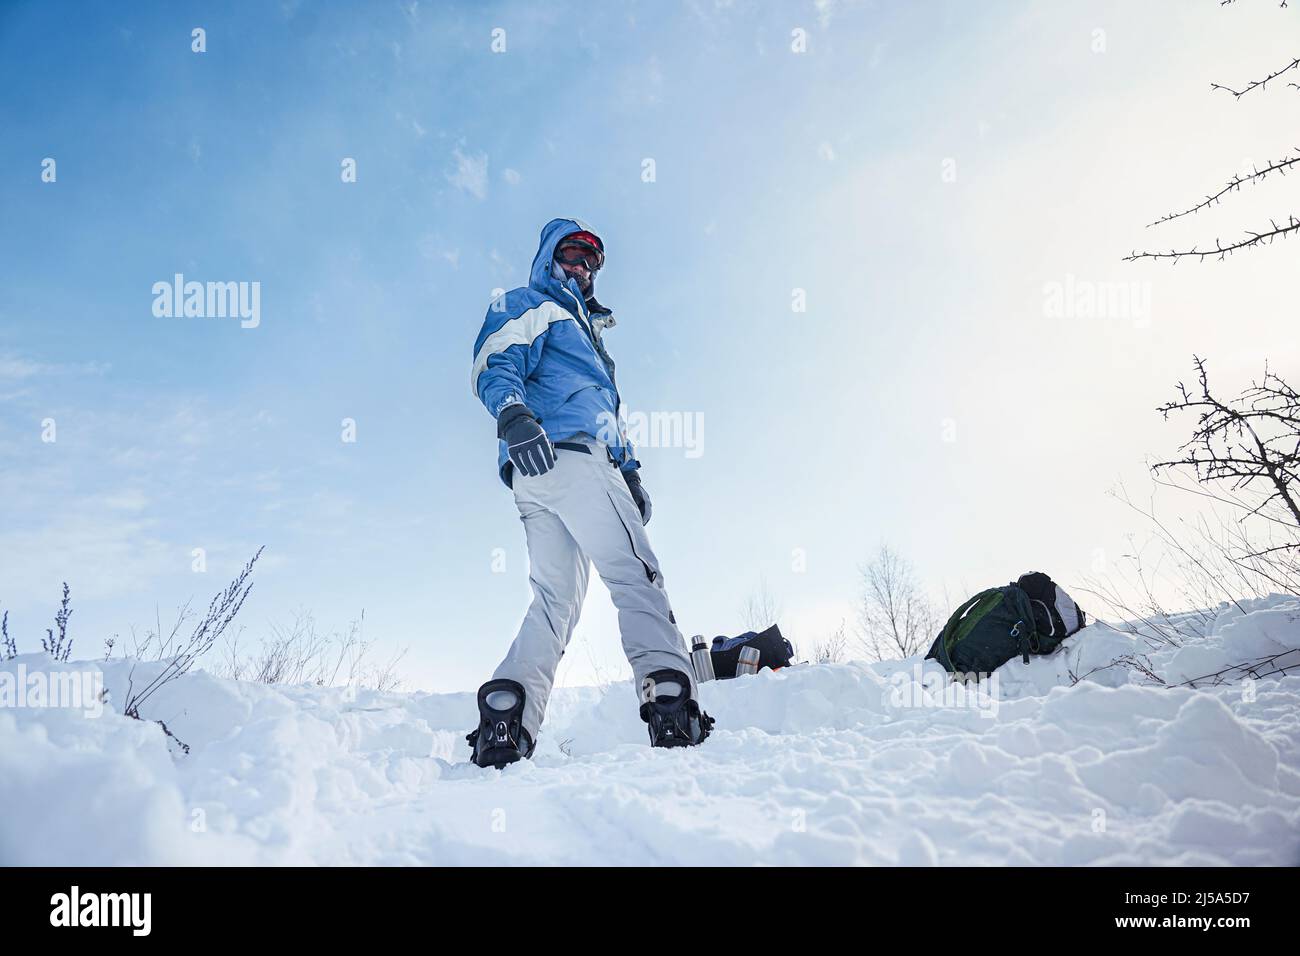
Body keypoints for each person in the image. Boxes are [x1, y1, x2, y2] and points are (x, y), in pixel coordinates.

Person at [467, 218, 714, 768]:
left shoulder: (584, 335)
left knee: (554, 602)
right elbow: (495, 356)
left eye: (591, 263)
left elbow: (603, 415)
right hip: (565, 454)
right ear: (549, 259)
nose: (582, 269)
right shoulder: (536, 305)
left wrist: (629, 471)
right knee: (634, 573)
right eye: (573, 256)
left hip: (538, 477)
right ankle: (669, 698)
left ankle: (508, 717)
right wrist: (512, 413)